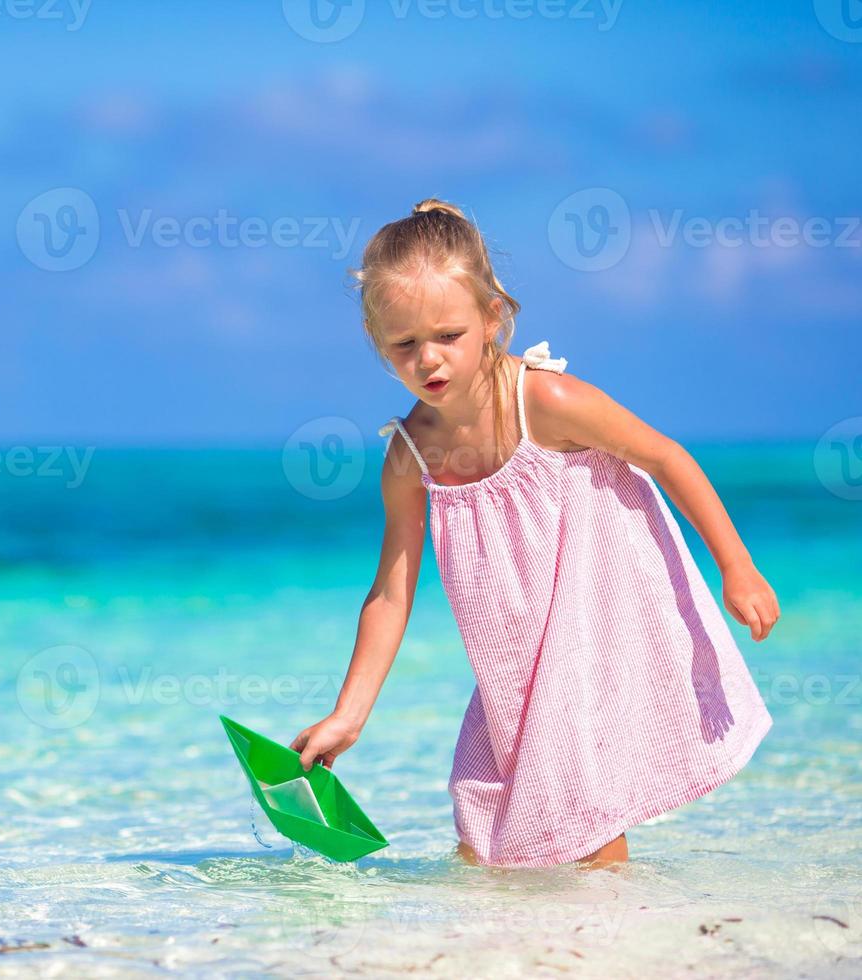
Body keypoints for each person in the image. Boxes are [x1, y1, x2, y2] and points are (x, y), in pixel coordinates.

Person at [291, 199, 779, 870]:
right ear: (380, 345)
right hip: (508, 669)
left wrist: (737, 567)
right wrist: (349, 714)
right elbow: (391, 593)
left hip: (588, 637)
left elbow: (666, 457)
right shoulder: (410, 455)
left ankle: (614, 949)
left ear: (493, 317)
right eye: (405, 345)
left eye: (449, 335)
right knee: (483, 822)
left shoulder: (546, 402)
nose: (428, 359)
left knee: (581, 816)